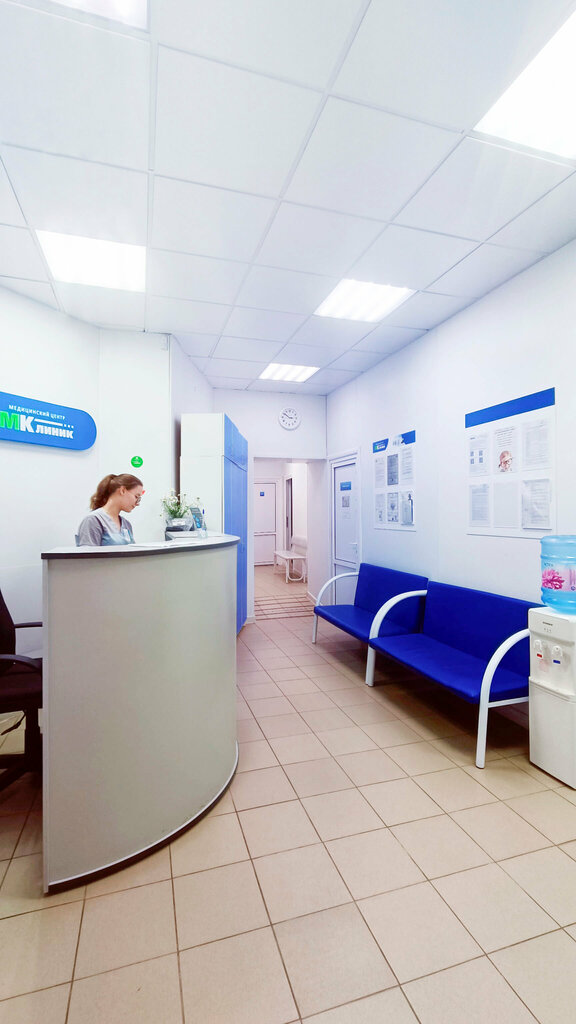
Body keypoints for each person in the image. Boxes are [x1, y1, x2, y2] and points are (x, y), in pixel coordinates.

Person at [76, 473, 144, 546]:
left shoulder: (126, 524)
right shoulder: (93, 520)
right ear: (123, 490)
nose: (137, 503)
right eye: (136, 497)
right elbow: (88, 552)